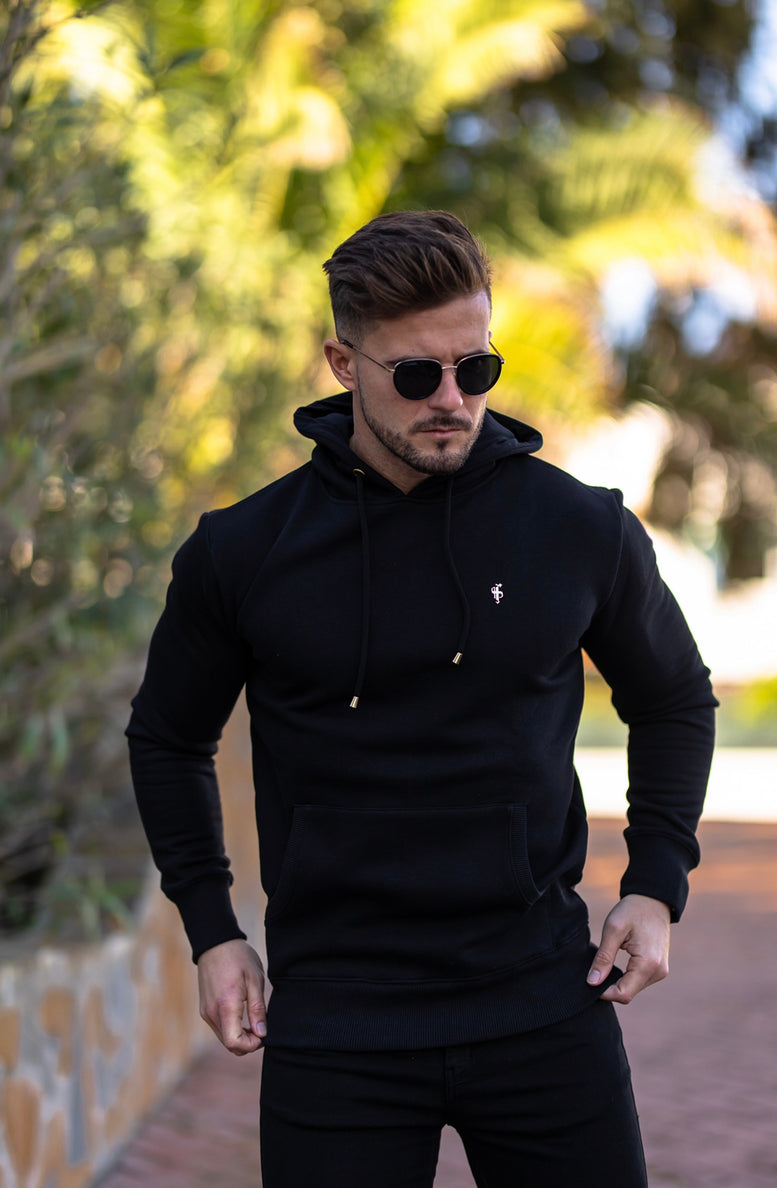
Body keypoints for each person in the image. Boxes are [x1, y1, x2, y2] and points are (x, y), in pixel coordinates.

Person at [127, 210, 716, 1188]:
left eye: (474, 368)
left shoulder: (577, 528)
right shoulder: (244, 551)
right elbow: (166, 738)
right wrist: (212, 932)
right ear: (342, 363)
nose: (451, 399)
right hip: (335, 1024)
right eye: (415, 374)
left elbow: (674, 698)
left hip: (542, 1003)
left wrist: (656, 884)